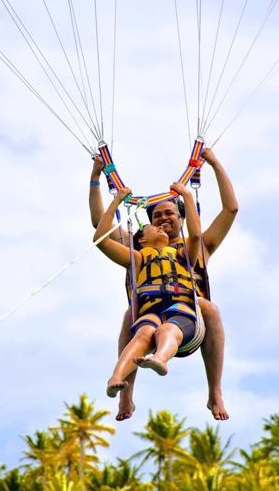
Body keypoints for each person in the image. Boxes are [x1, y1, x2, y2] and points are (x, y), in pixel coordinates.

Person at [89, 147, 238, 421]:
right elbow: (101, 226)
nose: (163, 219)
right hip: (148, 315)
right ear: (147, 229)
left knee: (210, 308)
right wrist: (96, 178)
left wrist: (214, 164)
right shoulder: (138, 250)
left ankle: (214, 392)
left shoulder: (195, 247)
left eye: (169, 213)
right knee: (130, 316)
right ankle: (125, 394)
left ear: (182, 219)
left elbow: (231, 208)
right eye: (156, 216)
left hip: (189, 318)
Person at [96, 184, 204, 398]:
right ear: (142, 240)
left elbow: (195, 236)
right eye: (154, 227)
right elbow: (100, 239)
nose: (161, 228)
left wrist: (187, 197)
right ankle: (116, 376)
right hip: (150, 313)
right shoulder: (136, 258)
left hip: (181, 311)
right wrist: (116, 201)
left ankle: (160, 359)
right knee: (145, 332)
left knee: (166, 330)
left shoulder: (183, 255)